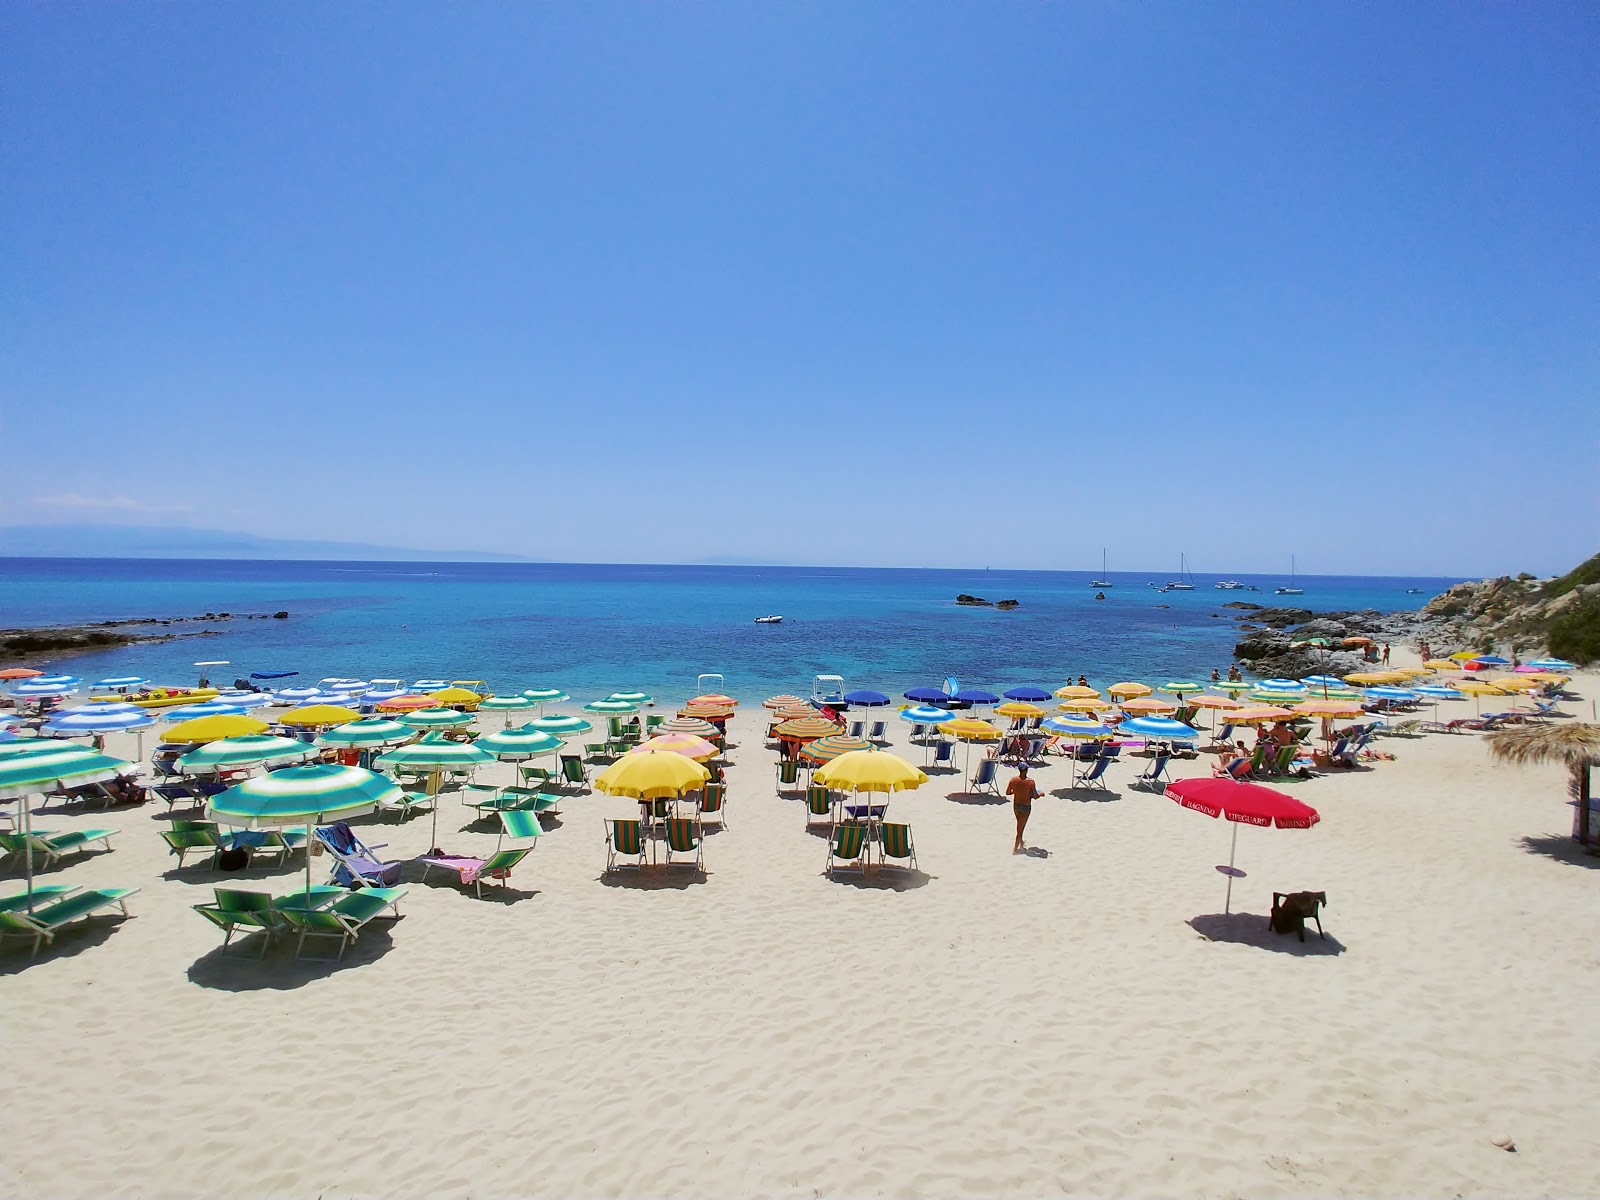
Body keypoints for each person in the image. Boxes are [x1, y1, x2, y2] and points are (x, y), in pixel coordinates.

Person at [1005, 764, 1039, 854]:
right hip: (1026, 806)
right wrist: (1041, 794)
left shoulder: (1013, 780)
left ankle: (1021, 842)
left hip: (1016, 805)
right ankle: (1015, 849)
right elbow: (1035, 796)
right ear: (1026, 770)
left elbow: (1008, 792)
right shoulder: (1031, 782)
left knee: (1019, 825)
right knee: (1020, 828)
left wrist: (1016, 791)